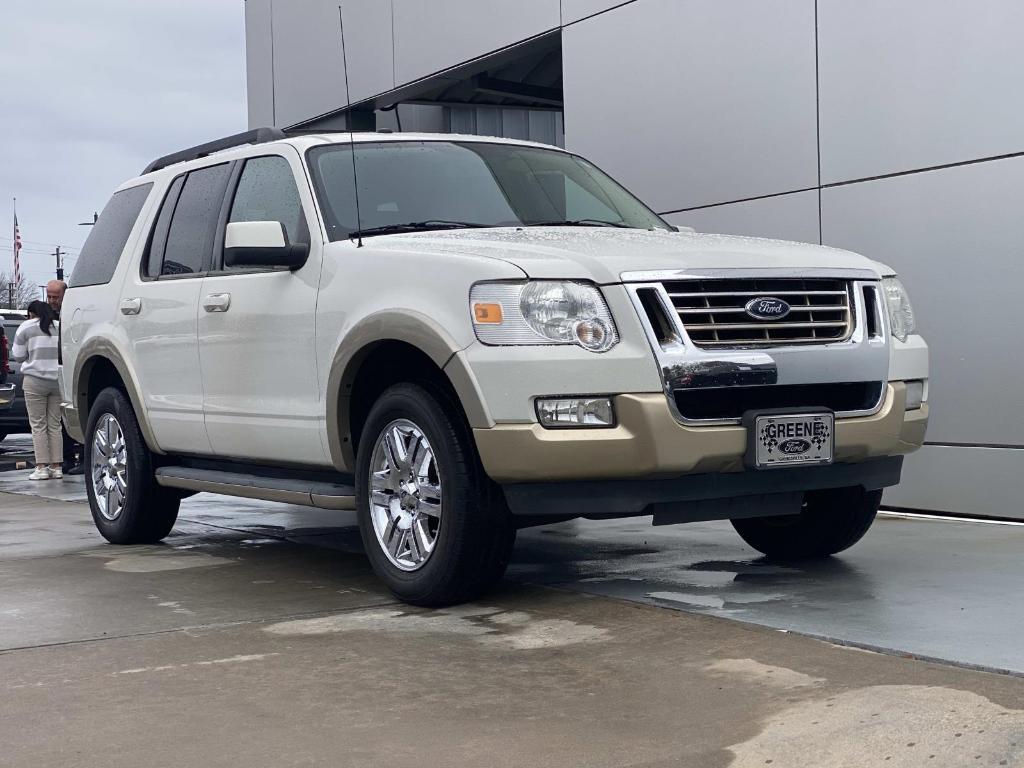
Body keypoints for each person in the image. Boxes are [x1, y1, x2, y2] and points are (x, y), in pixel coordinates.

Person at [11, 301, 63, 480]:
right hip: (57, 380)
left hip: (34, 380)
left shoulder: (26, 326)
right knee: (55, 425)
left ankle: (41, 467)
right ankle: (57, 467)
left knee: (38, 425)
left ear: (32, 313)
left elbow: (18, 356)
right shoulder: (59, 326)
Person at [45, 279, 83, 475]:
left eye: (56, 297)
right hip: (56, 371)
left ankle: (84, 458)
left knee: (81, 415)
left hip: (76, 369)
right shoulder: (45, 317)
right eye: (49, 296)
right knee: (61, 420)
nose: (52, 301)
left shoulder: (75, 313)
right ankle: (66, 459)